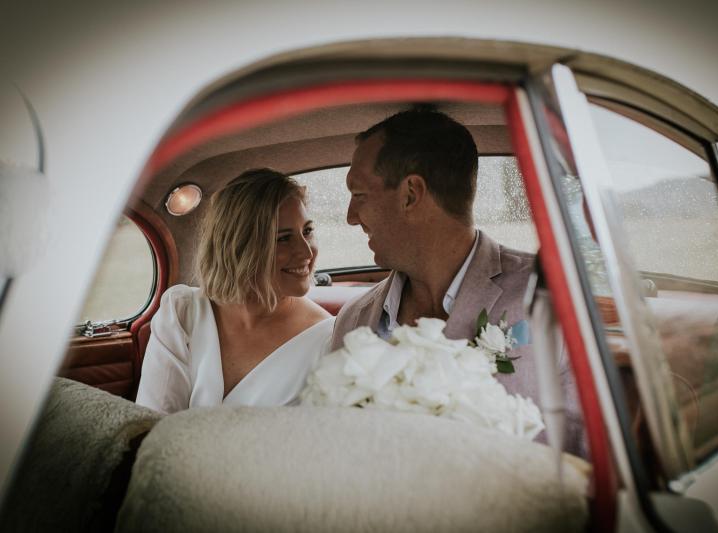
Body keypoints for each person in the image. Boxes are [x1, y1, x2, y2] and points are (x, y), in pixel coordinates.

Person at [331, 109, 586, 457]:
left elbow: (582, 454)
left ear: (411, 194)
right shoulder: (354, 320)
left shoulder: (547, 296)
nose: (349, 216)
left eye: (359, 195)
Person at [136, 169, 333, 414]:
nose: (306, 252)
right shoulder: (183, 312)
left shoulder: (329, 340)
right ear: (240, 246)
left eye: (307, 231)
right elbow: (151, 422)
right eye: (282, 238)